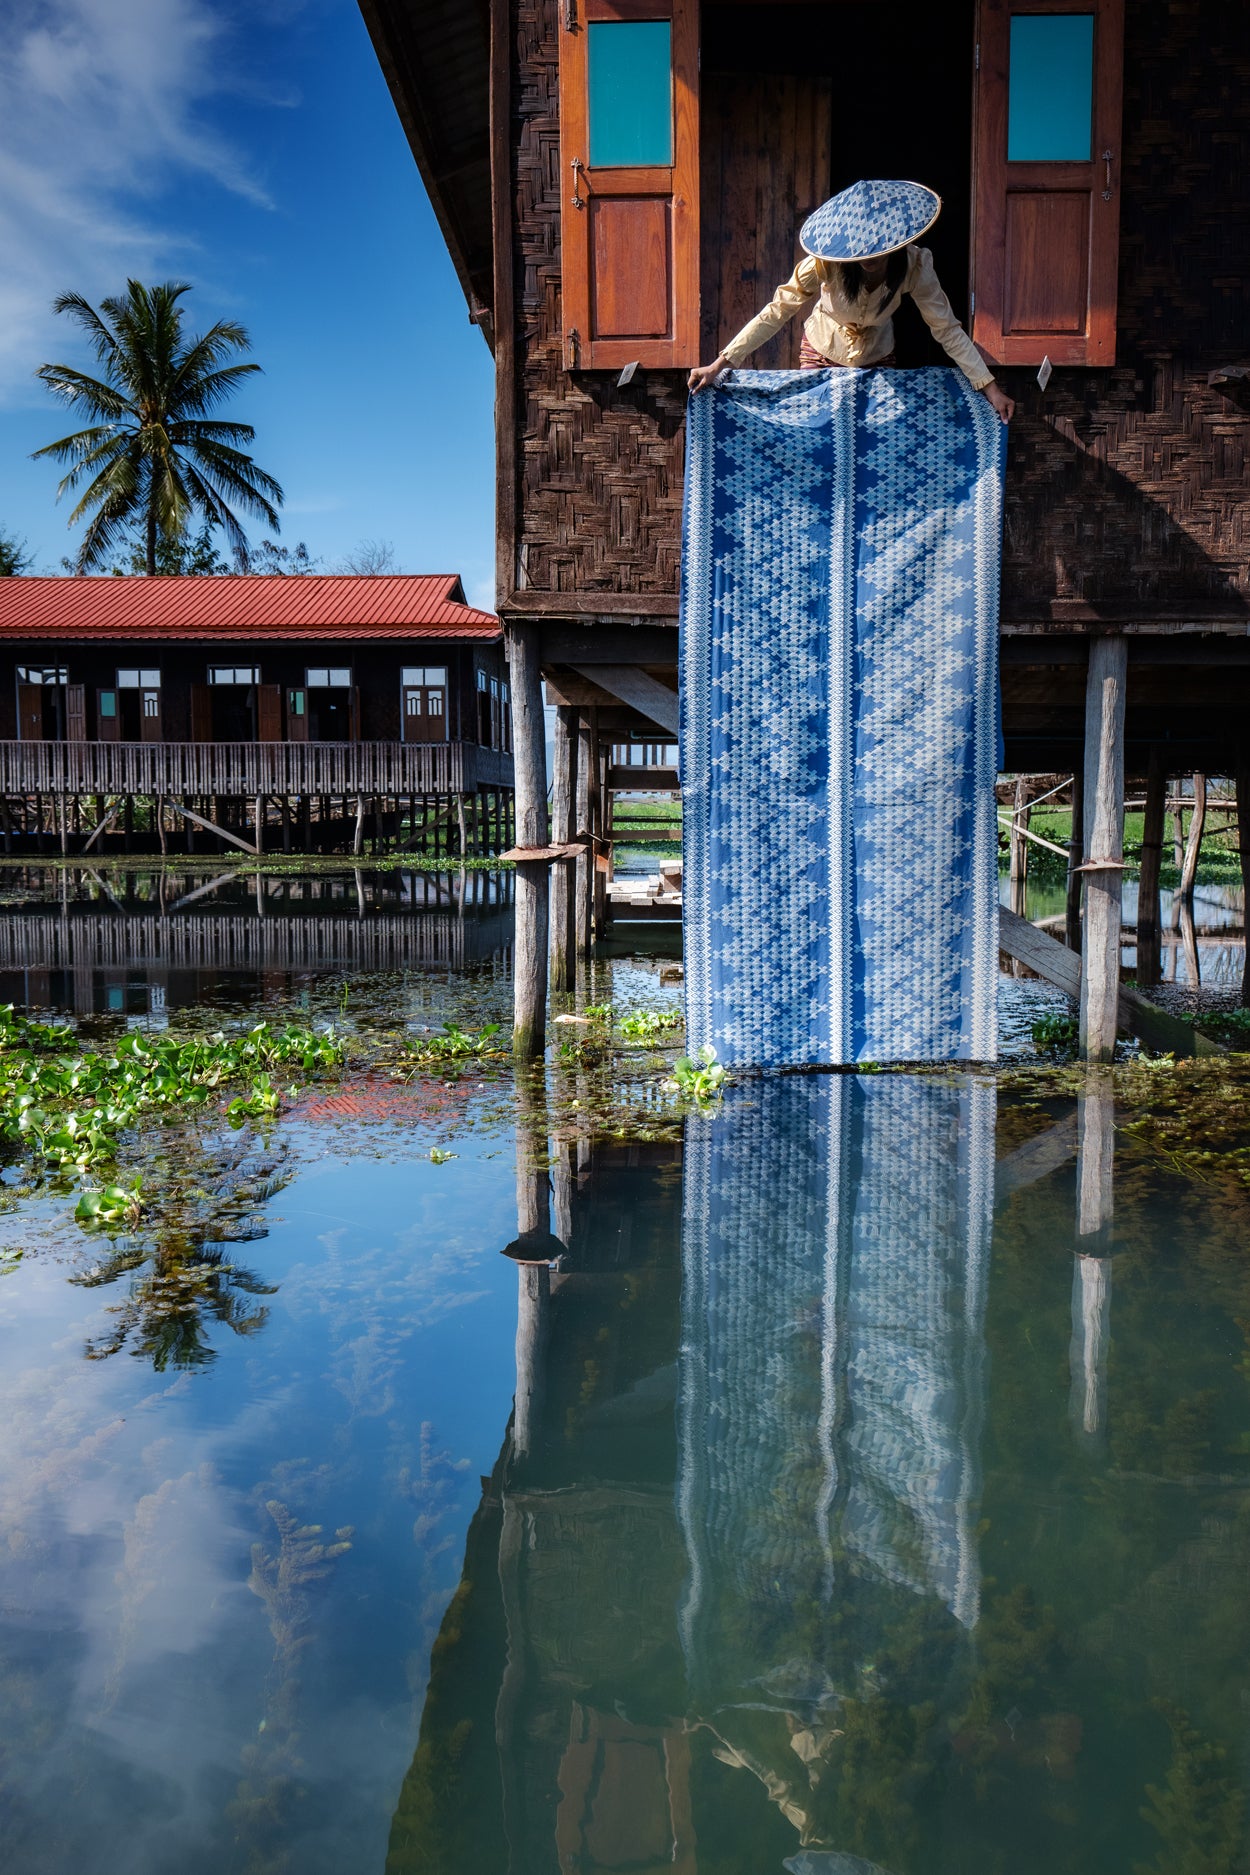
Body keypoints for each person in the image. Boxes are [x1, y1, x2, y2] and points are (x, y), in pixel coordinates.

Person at [688, 177, 1014, 422]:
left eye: (879, 249)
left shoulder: (915, 266)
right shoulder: (824, 262)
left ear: (896, 243)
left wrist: (990, 387)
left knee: (876, 433)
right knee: (815, 429)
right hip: (821, 349)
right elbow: (777, 310)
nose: (869, 258)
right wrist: (720, 365)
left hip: (877, 355)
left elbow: (946, 329)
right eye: (861, 249)